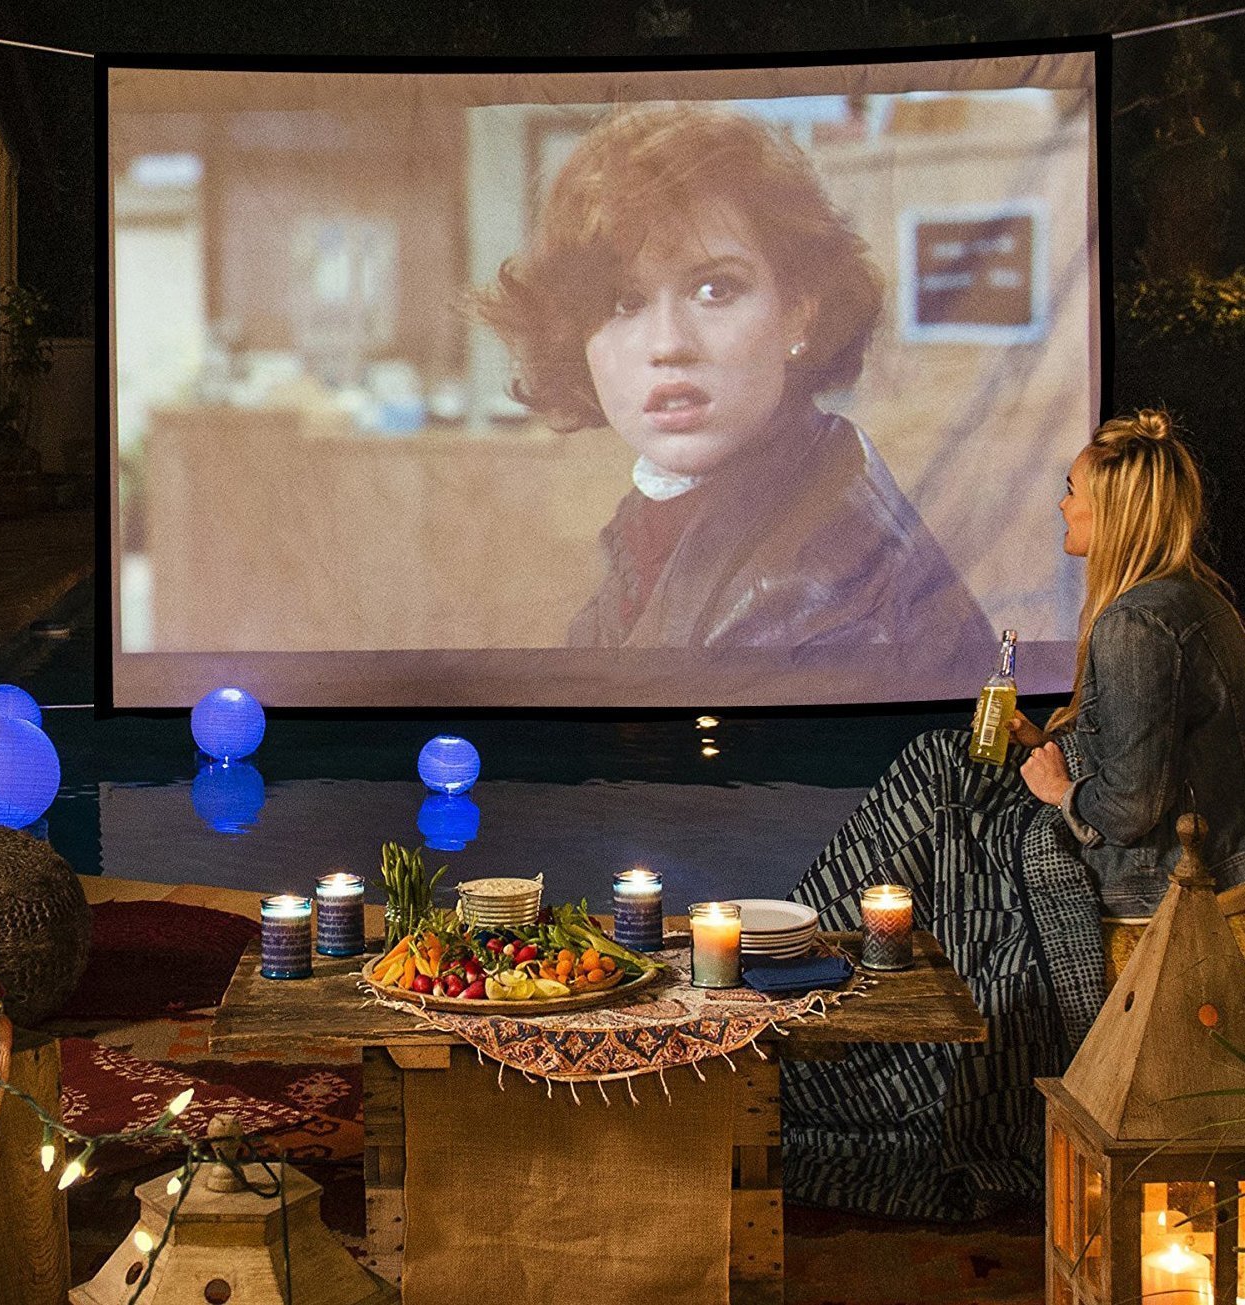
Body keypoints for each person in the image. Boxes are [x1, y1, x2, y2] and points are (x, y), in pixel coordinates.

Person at [783, 408, 1245, 1221]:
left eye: (1072, 490)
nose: (1061, 503)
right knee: (944, 767)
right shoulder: (1198, 602)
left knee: (935, 777)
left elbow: (1132, 807)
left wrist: (1057, 788)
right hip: (1162, 849)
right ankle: (817, 941)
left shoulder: (1135, 621)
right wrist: (1050, 741)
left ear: (1113, 511)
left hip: (1137, 874)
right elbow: (1152, 757)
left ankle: (799, 955)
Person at [474, 104, 992, 682]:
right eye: (625, 302)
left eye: (714, 289)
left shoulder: (821, 591)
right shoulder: (684, 506)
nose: (669, 344)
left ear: (798, 314)